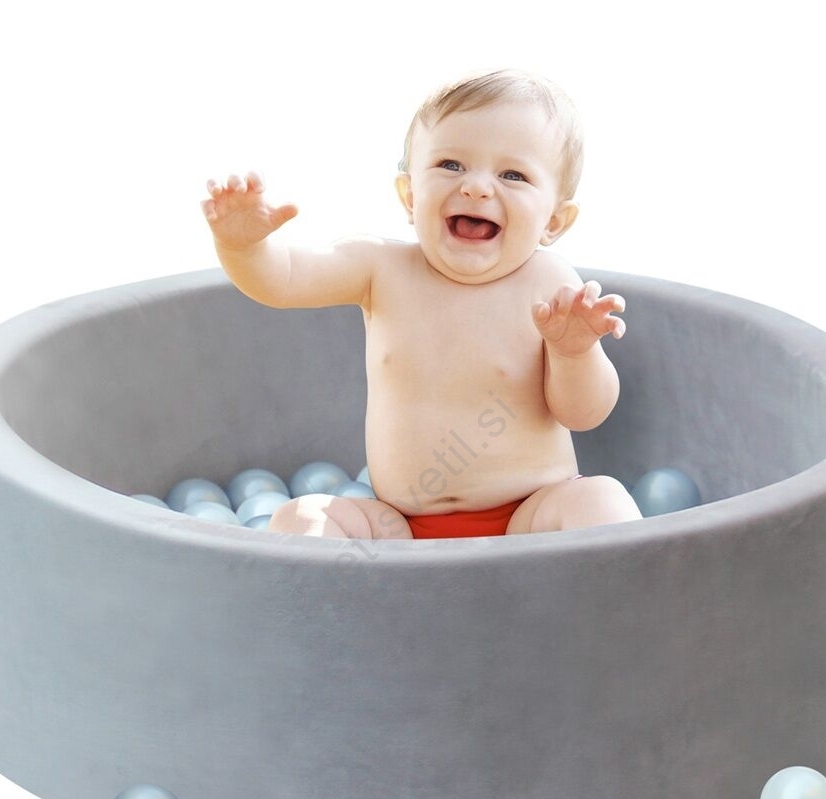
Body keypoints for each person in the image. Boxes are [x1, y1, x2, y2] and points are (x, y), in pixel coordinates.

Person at [201, 69, 642, 540]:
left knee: (601, 499)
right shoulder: (378, 267)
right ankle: (339, 590)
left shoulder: (550, 285)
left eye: (512, 175)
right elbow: (284, 279)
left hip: (529, 522)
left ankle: (624, 588)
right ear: (410, 195)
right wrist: (242, 246)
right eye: (451, 164)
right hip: (401, 533)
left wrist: (574, 352)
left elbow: (583, 414)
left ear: (553, 220)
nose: (476, 187)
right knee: (299, 518)